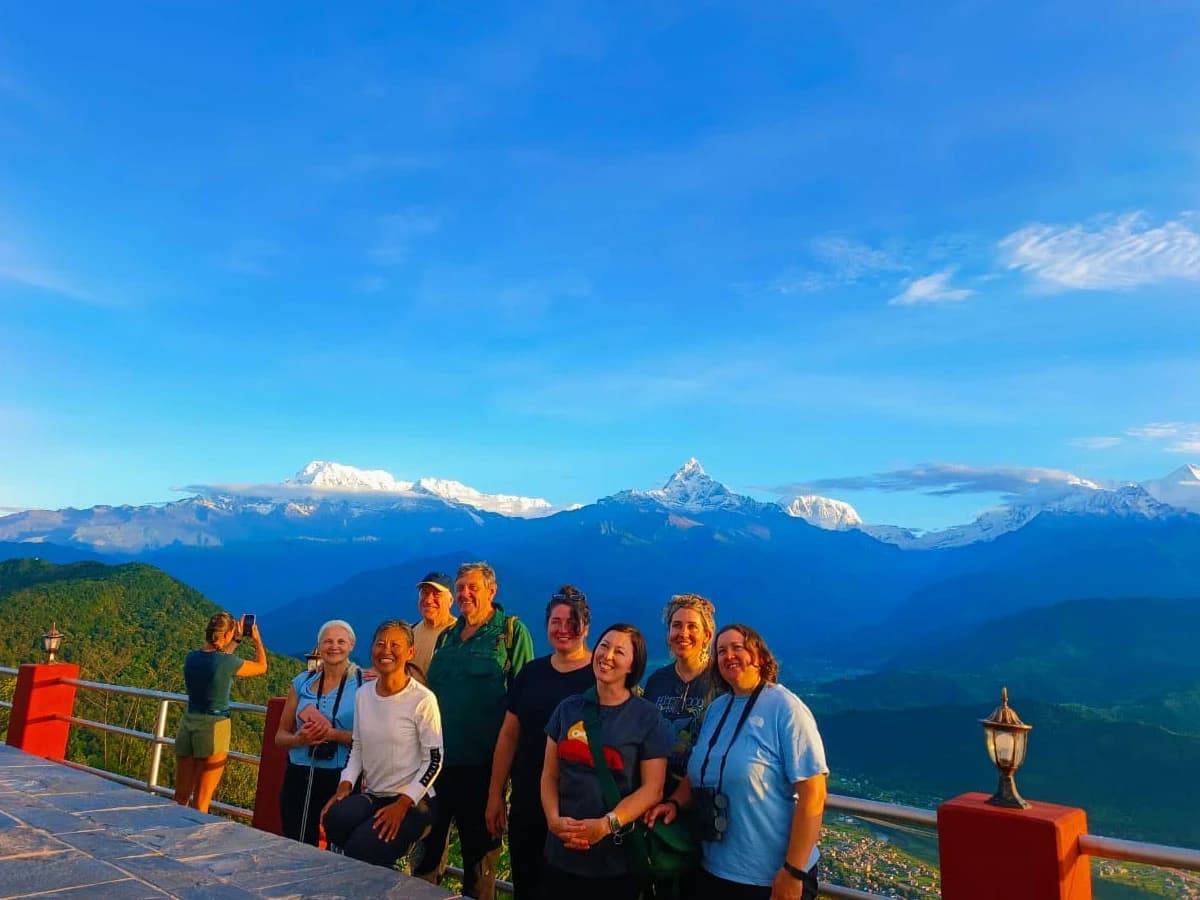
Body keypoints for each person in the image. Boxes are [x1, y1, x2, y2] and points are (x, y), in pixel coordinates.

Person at [645, 624, 828, 900]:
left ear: (759, 656)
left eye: (737, 647)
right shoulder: (717, 709)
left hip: (769, 876)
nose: (728, 655)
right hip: (712, 870)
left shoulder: (785, 708)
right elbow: (698, 771)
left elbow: (813, 793)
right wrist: (673, 803)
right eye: (721, 651)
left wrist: (794, 871)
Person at [414, 561, 534, 899]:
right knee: (424, 861)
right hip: (436, 769)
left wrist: (503, 784)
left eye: (473, 587)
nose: (465, 594)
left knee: (478, 868)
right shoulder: (448, 636)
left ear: (491, 592)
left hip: (483, 772)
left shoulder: (510, 633)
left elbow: (522, 704)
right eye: (461, 587)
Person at [539, 623, 673, 900]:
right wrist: (553, 820)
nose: (607, 655)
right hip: (560, 853)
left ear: (632, 666)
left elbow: (653, 789)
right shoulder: (568, 708)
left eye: (619, 652)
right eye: (604, 646)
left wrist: (605, 825)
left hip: (614, 859)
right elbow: (550, 774)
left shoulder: (646, 717)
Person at [486, 585, 595, 899]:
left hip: (580, 807)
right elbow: (509, 735)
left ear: (586, 627)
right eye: (555, 622)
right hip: (528, 800)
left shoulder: (599, 678)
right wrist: (496, 795)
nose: (563, 630)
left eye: (571, 623)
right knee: (528, 883)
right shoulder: (531, 674)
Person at [321, 620, 443, 868]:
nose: (386, 650)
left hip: (414, 800)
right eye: (380, 644)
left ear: (410, 652)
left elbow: (434, 760)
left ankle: (403, 855)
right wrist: (345, 785)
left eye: (395, 645)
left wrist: (402, 805)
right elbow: (358, 746)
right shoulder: (364, 695)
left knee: (361, 848)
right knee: (335, 819)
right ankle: (382, 859)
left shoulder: (422, 699)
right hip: (376, 794)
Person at [276, 619, 362, 846]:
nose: (334, 646)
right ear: (319, 646)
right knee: (295, 839)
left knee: (337, 841)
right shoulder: (301, 682)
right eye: (328, 641)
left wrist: (332, 735)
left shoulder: (364, 683)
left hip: (341, 776)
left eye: (341, 641)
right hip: (300, 773)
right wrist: (299, 739)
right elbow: (280, 737)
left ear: (352, 645)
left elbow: (372, 738)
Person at [175, 612, 268, 813]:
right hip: (214, 728)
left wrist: (236, 639)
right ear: (225, 635)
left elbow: (219, 659)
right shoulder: (227, 663)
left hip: (188, 723)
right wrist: (257, 640)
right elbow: (262, 667)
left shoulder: (191, 658)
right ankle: (192, 841)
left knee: (181, 796)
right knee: (202, 800)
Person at [643, 593, 719, 790]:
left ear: (707, 635)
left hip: (706, 794)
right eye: (676, 625)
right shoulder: (656, 681)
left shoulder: (721, 682)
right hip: (657, 790)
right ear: (668, 633)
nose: (683, 633)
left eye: (692, 626)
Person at [413, 571, 457, 674]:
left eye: (436, 594)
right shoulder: (410, 632)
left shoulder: (460, 634)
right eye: (425, 593)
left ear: (450, 601)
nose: (428, 600)